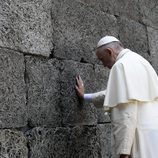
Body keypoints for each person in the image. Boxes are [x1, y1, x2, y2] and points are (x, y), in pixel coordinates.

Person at [75, 36, 158, 158]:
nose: (103, 65)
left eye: (102, 59)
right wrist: (85, 96)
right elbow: (117, 94)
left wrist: (123, 152)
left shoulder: (120, 65)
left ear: (109, 51)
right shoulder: (141, 61)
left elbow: (126, 114)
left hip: (137, 137)